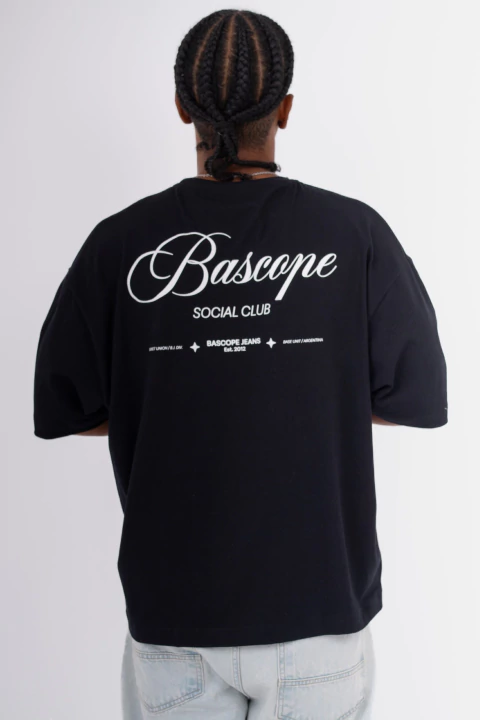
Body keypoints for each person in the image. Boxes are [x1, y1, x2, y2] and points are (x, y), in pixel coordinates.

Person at [33, 9, 448, 719]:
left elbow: (72, 405)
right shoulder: (353, 232)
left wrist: (178, 385)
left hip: (175, 616)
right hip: (320, 613)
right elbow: (410, 395)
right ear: (284, 110)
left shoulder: (119, 243)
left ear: (181, 107)